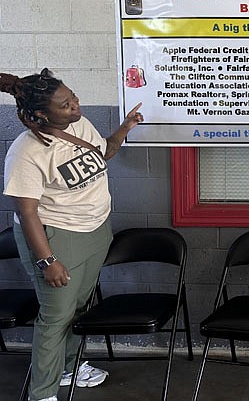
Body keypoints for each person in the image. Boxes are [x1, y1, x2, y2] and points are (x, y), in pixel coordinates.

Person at [1, 68, 143, 401]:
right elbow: (26, 212)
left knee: (79, 307)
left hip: (95, 230)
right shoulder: (27, 152)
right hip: (56, 238)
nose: (75, 105)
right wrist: (47, 260)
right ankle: (43, 393)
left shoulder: (79, 124)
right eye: (65, 104)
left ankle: (69, 368)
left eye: (73, 97)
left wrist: (124, 129)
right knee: (55, 317)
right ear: (40, 114)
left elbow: (102, 152)